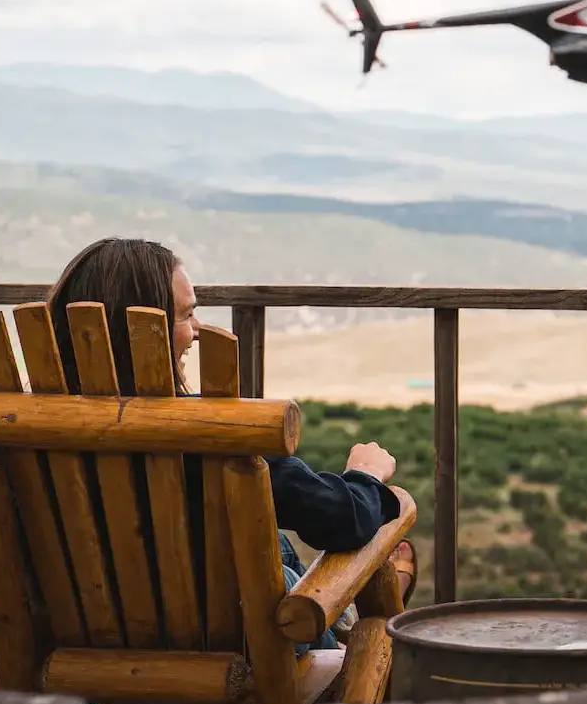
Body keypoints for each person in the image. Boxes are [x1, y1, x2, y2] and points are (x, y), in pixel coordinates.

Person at [45, 237, 413, 651]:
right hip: (228, 649)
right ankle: (345, 627)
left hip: (77, 646)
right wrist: (365, 475)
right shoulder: (208, 434)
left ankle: (340, 618)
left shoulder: (25, 431)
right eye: (185, 316)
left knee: (270, 541)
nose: (197, 331)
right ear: (142, 330)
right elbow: (344, 522)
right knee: (279, 574)